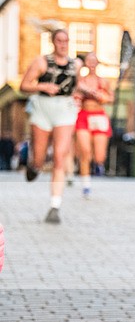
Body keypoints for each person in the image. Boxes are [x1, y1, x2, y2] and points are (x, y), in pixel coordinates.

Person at [19, 29, 81, 224]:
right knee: (39, 158)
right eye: (59, 41)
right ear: (53, 42)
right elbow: (24, 85)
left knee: (59, 157)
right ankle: (34, 167)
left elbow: (75, 86)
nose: (63, 44)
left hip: (64, 108)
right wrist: (43, 87)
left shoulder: (76, 64)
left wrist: (80, 94)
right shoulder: (41, 62)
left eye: (66, 41)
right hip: (42, 108)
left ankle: (55, 206)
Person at [74, 52, 113, 197]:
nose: (91, 63)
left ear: (97, 64)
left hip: (99, 116)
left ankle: (98, 165)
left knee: (99, 156)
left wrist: (102, 97)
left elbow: (110, 97)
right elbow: (74, 94)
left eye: (94, 61)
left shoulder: (103, 82)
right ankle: (86, 184)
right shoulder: (81, 81)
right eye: (88, 61)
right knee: (85, 152)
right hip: (84, 115)